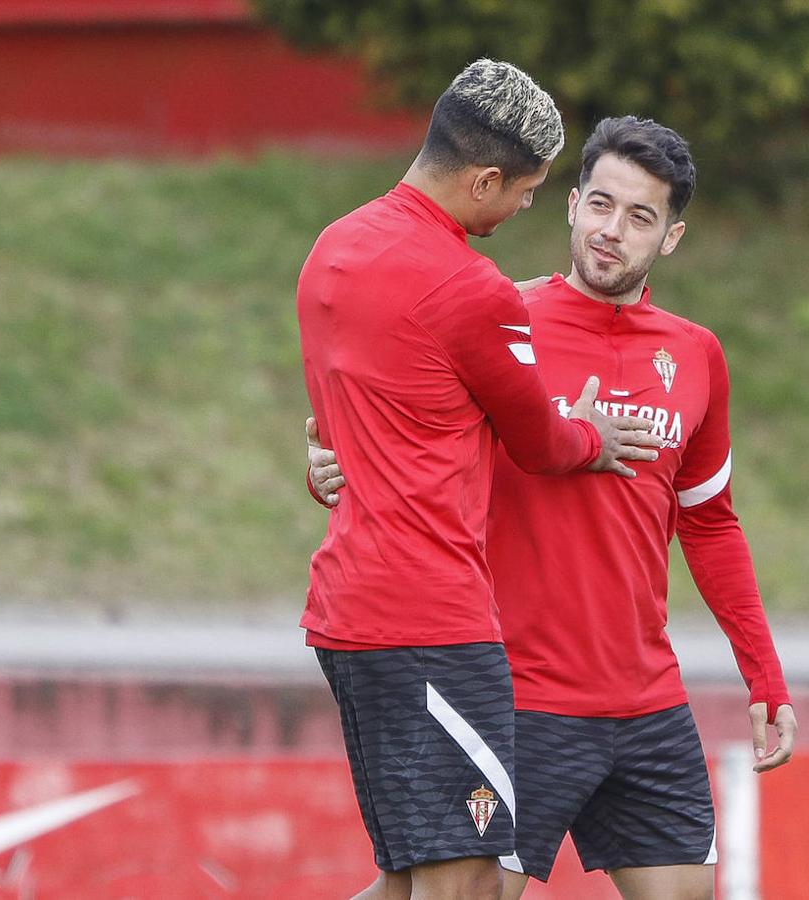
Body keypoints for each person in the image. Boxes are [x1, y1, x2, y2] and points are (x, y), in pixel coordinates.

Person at [309, 116, 796, 900]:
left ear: (671, 237)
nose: (612, 231)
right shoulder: (499, 316)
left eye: (641, 217)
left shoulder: (698, 355)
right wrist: (329, 466)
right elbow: (403, 441)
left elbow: (710, 520)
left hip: (645, 701)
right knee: (447, 895)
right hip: (516, 696)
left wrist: (765, 677)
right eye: (600, 204)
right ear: (570, 205)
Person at [296, 61, 663, 900]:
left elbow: (349, 423)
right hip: (431, 622)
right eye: (528, 191)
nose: (528, 207)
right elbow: (537, 440)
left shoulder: (334, 247)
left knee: (410, 882)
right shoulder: (471, 287)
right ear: (486, 177)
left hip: (350, 613)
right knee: (467, 885)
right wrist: (592, 435)